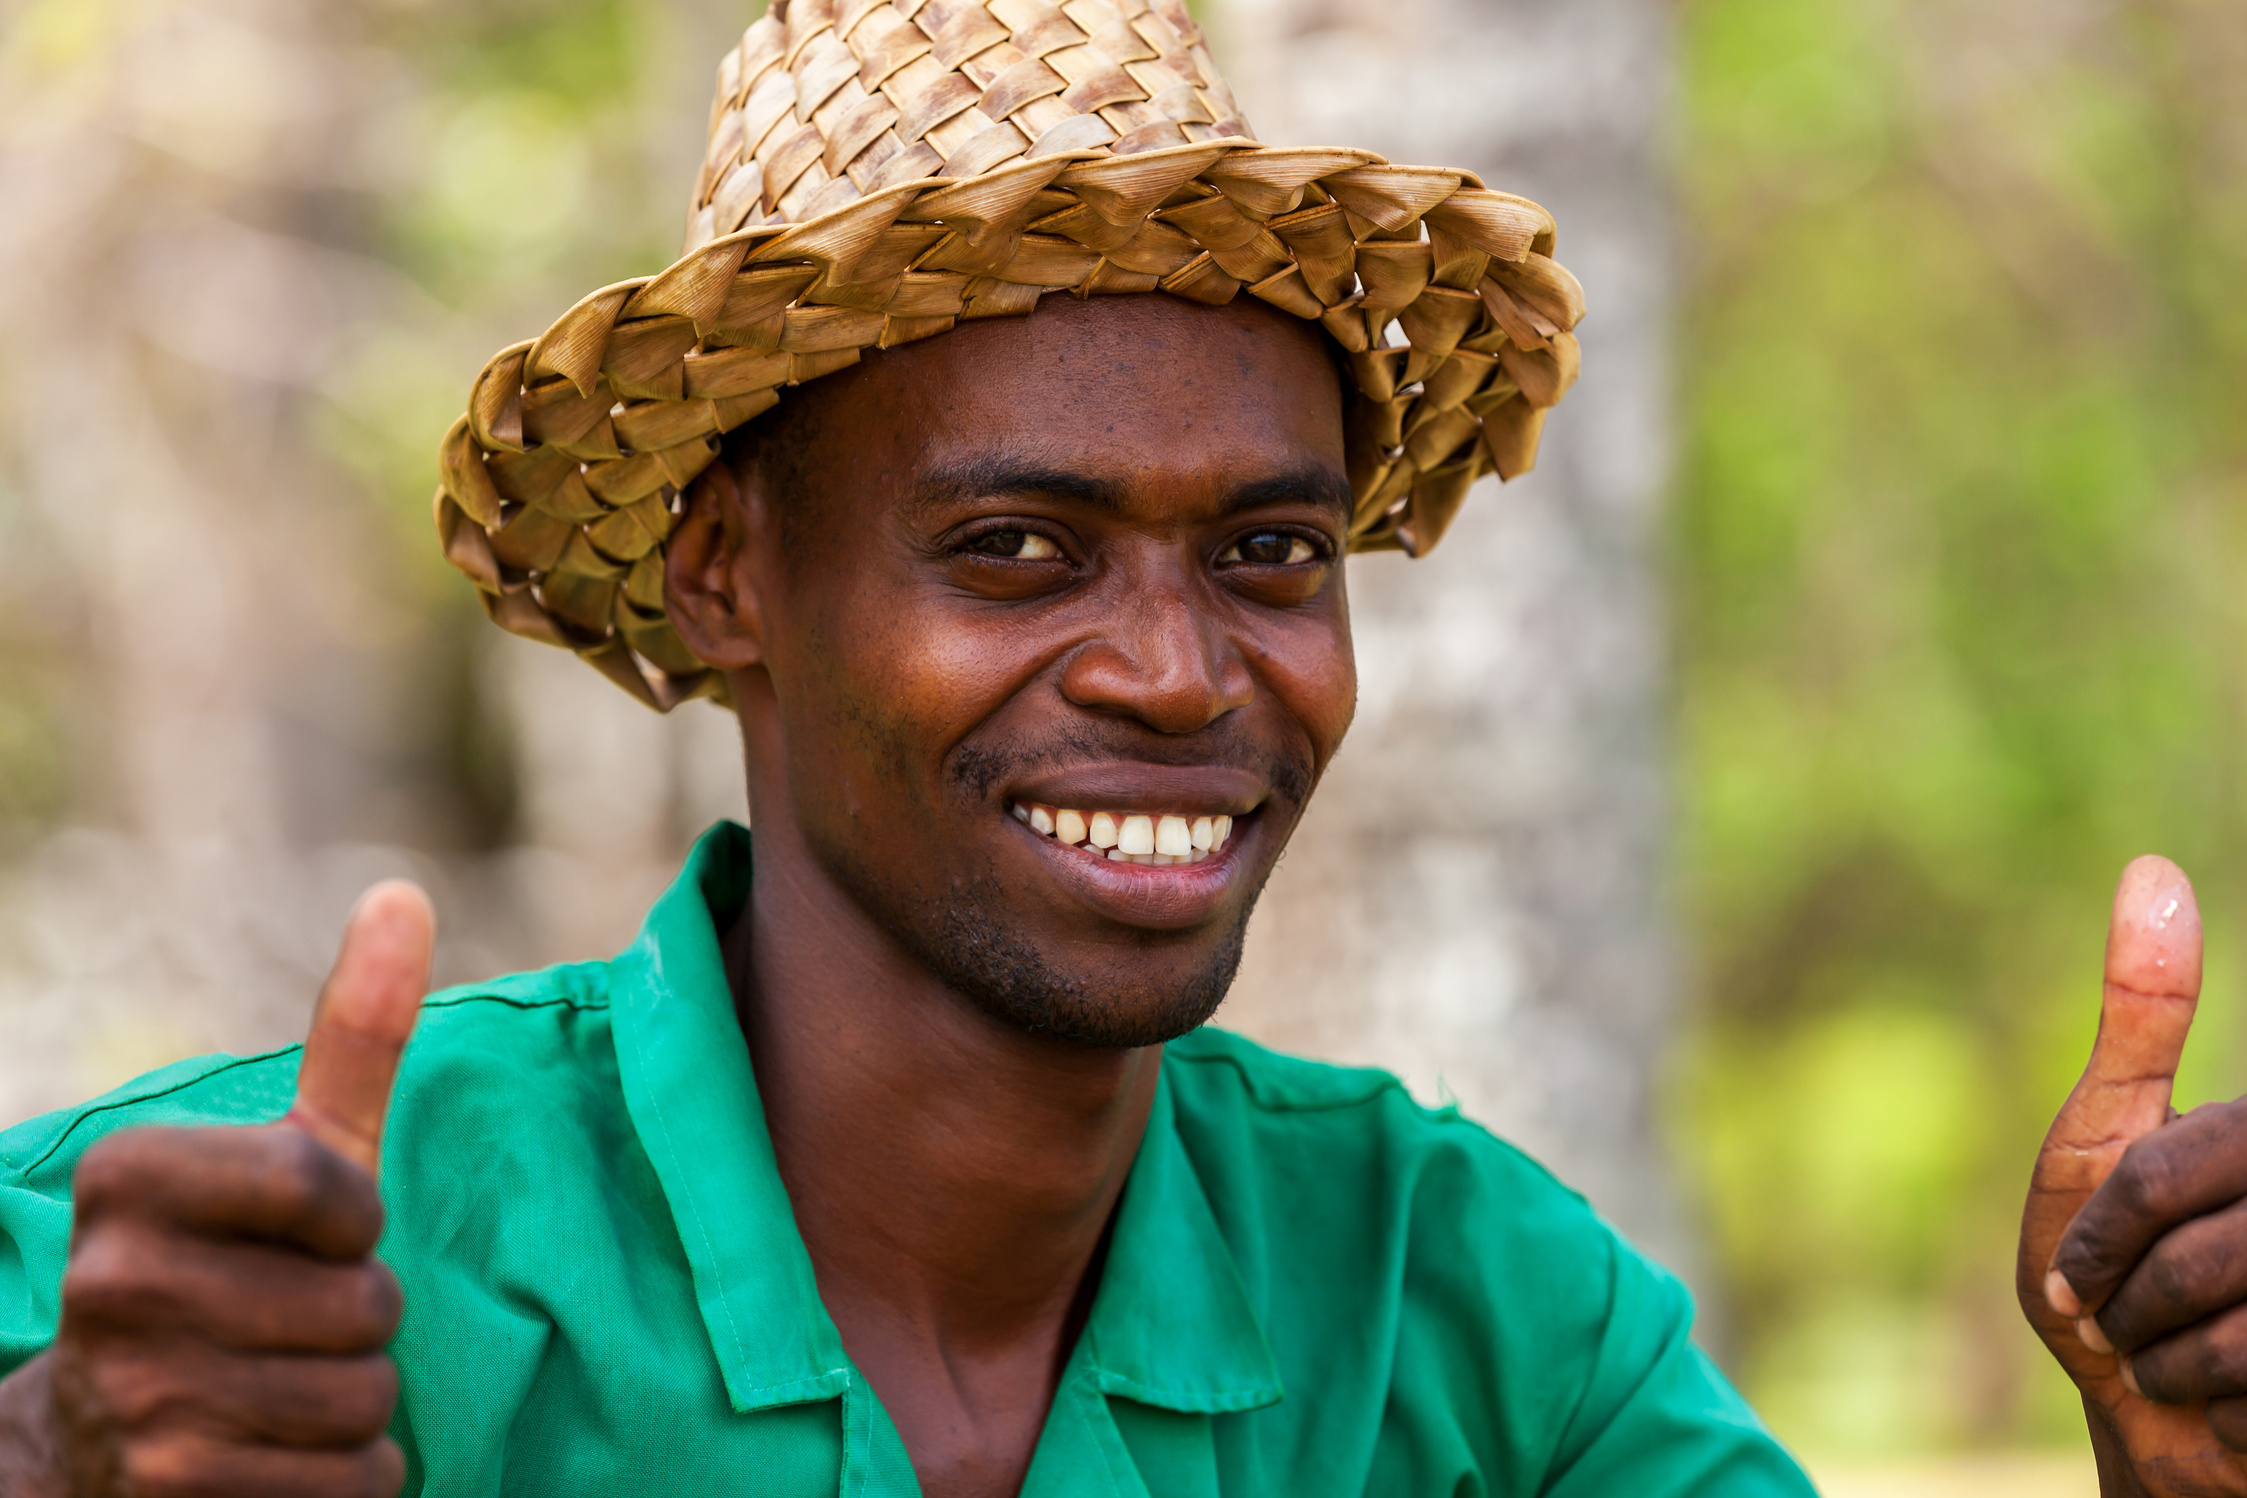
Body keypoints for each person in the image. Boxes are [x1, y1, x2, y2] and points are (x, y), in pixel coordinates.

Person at [0, 4, 2238, 1496]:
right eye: (1012, 546)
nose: (1177, 670)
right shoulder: (229, 1272)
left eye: (1270, 548)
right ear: (723, 580)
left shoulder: (1458, 1311)